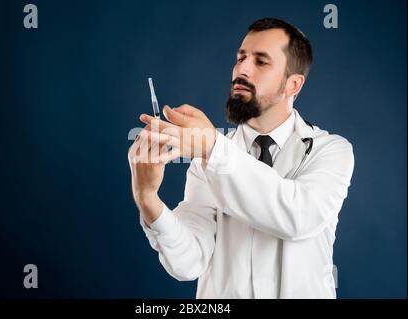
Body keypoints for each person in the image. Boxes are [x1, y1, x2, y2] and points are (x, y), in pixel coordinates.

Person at [128, 18, 354, 299]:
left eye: (261, 62)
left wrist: (212, 147)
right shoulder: (208, 161)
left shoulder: (330, 150)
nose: (241, 69)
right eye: (241, 58)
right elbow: (189, 262)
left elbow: (297, 216)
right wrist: (148, 198)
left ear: (293, 85)